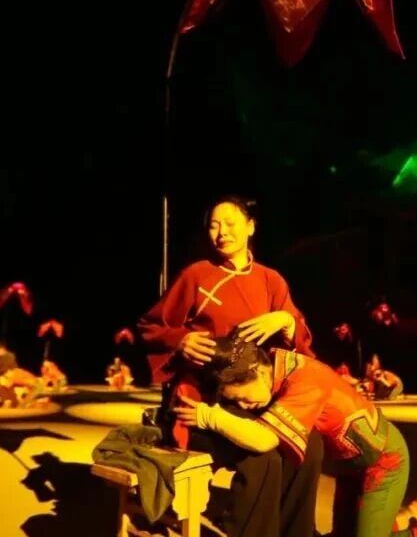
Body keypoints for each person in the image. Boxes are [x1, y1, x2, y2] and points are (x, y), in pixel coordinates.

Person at [137, 196, 321, 537]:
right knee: (262, 455)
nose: (222, 232)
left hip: (257, 395)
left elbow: (301, 347)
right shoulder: (196, 275)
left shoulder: (271, 281)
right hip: (207, 398)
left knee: (307, 444)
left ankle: (295, 531)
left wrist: (285, 321)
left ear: (250, 227)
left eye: (231, 223)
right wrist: (181, 340)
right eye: (214, 225)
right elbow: (150, 326)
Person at [175, 330, 417, 537]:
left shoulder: (303, 384)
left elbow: (263, 439)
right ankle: (410, 514)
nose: (242, 405)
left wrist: (210, 416)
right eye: (235, 401)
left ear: (261, 373)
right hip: (352, 465)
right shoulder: (271, 364)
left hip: (384, 463)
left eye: (242, 397)